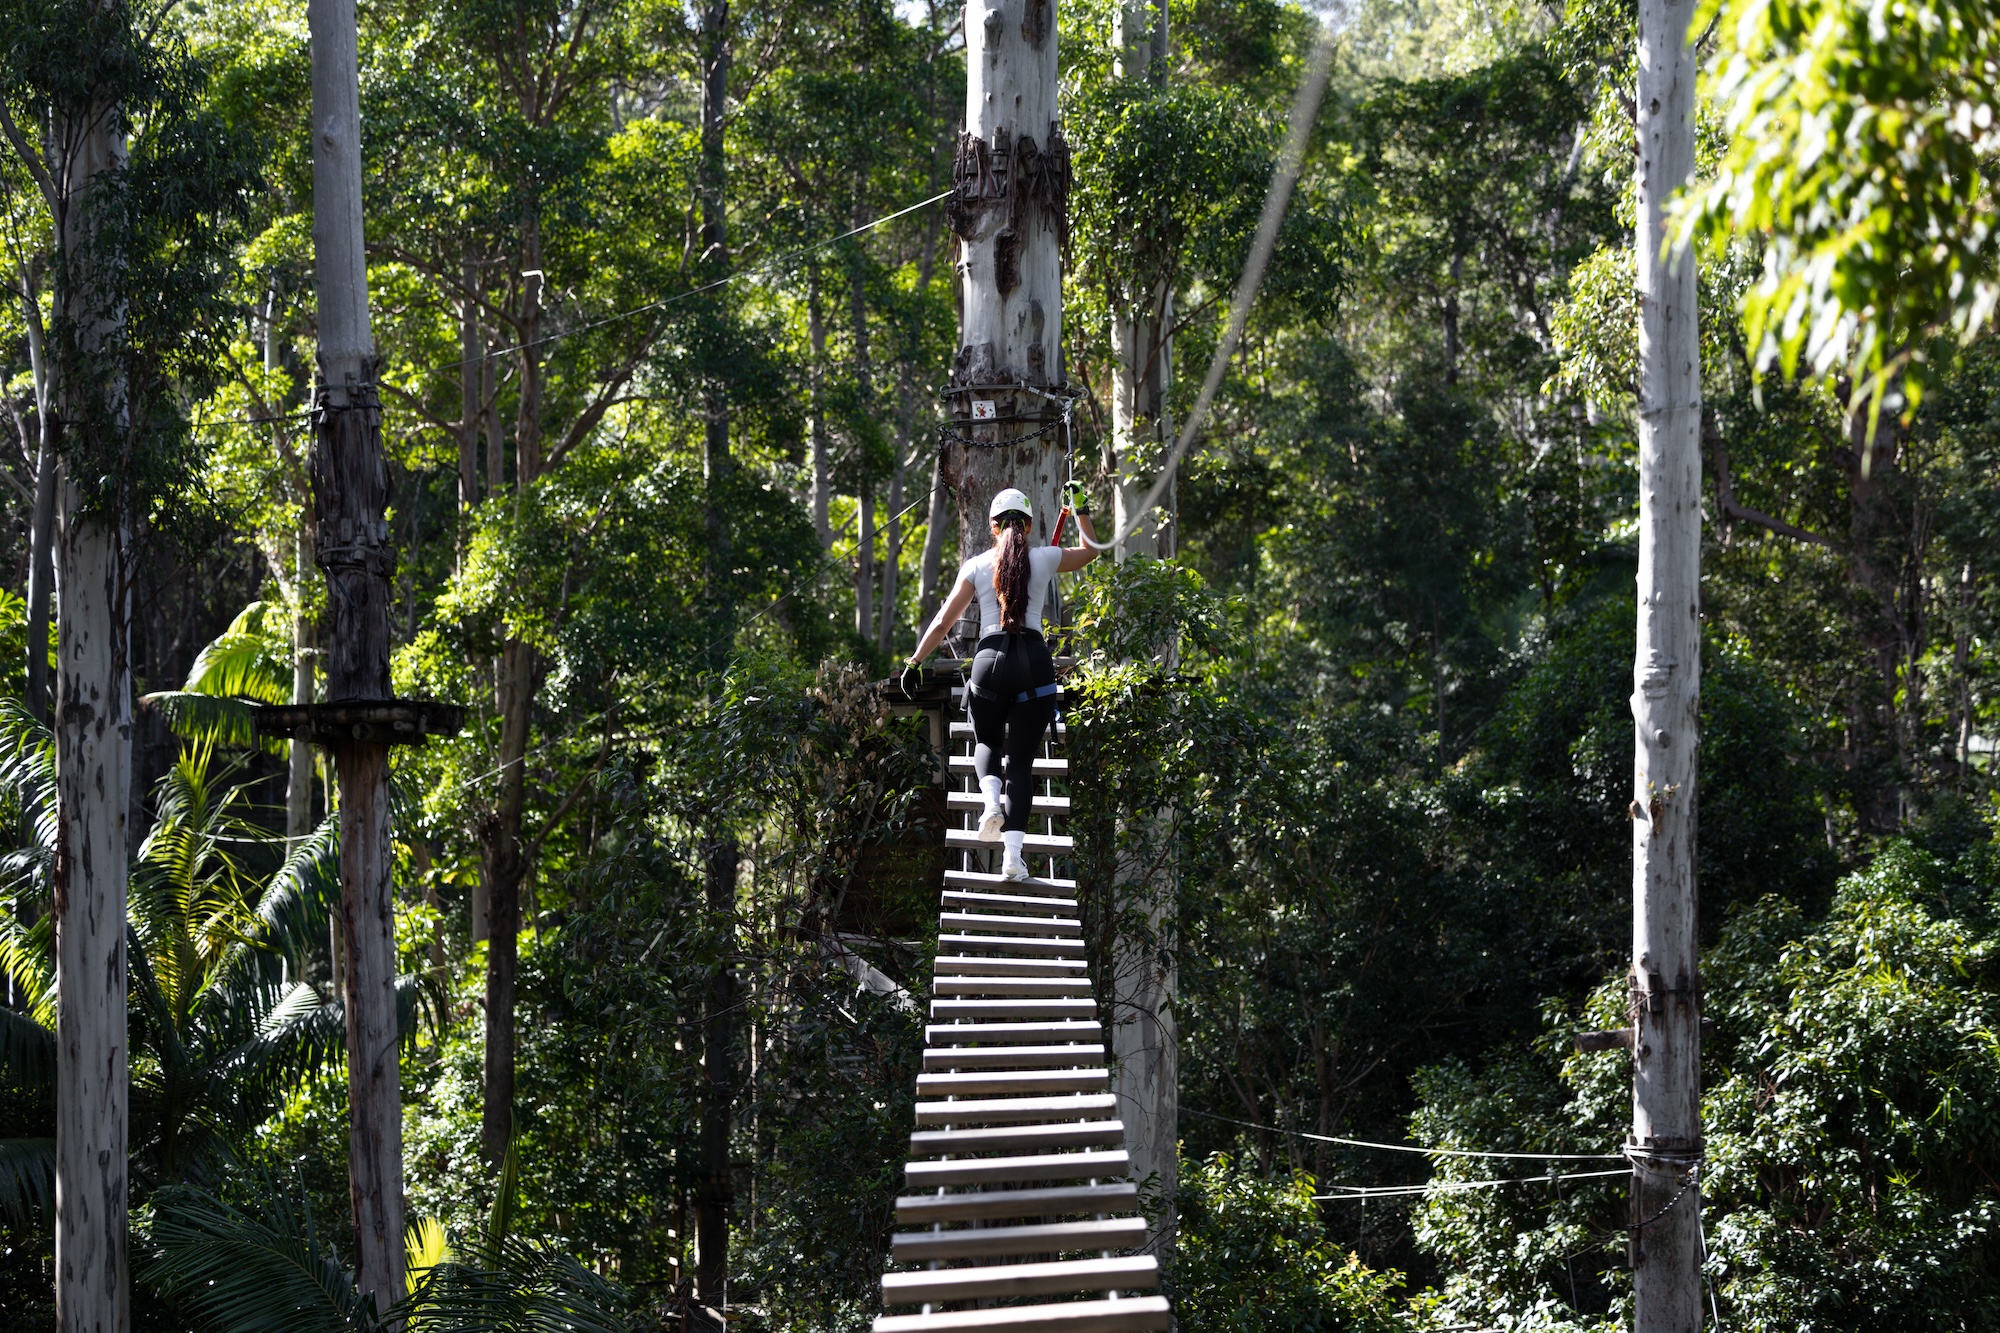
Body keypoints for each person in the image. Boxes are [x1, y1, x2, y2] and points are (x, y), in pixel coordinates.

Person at [907, 483, 1099, 881]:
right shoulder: (1044, 558)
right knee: (1022, 765)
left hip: (989, 661)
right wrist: (1080, 509)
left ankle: (990, 802)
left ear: (994, 527)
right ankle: (1013, 859)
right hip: (1034, 662)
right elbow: (1091, 552)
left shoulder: (976, 566)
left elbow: (943, 622)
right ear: (1027, 526)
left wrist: (915, 661)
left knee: (988, 742)